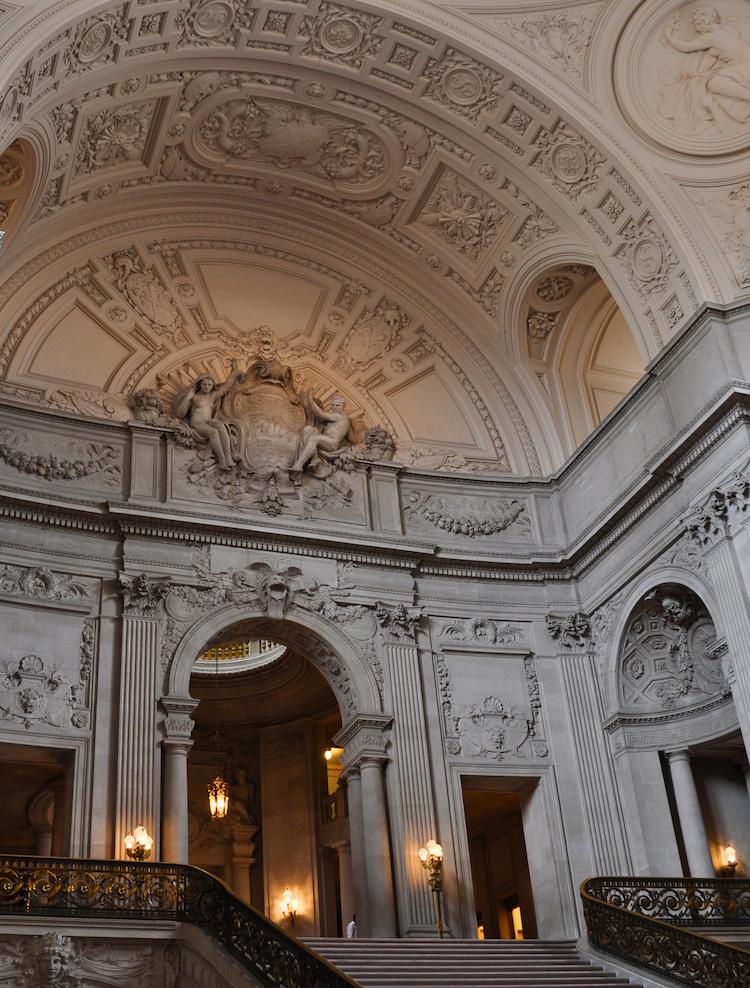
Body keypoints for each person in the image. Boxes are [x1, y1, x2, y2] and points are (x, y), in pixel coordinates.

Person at [173, 362, 245, 470]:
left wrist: (234, 371)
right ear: (200, 385)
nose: (206, 387)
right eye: (204, 384)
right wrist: (187, 398)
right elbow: (180, 413)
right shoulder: (195, 397)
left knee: (221, 426)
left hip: (208, 422)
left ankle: (229, 458)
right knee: (213, 432)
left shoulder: (212, 397)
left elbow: (227, 385)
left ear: (212, 386)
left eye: (209, 385)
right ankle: (222, 461)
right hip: (196, 423)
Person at [290, 391, 354, 476]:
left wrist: (311, 402)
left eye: (338, 405)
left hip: (332, 443)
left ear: (343, 406)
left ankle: (298, 465)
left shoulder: (340, 416)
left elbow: (321, 414)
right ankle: (315, 458)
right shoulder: (336, 416)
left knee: (313, 438)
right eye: (333, 405)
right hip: (325, 438)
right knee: (308, 429)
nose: (335, 407)